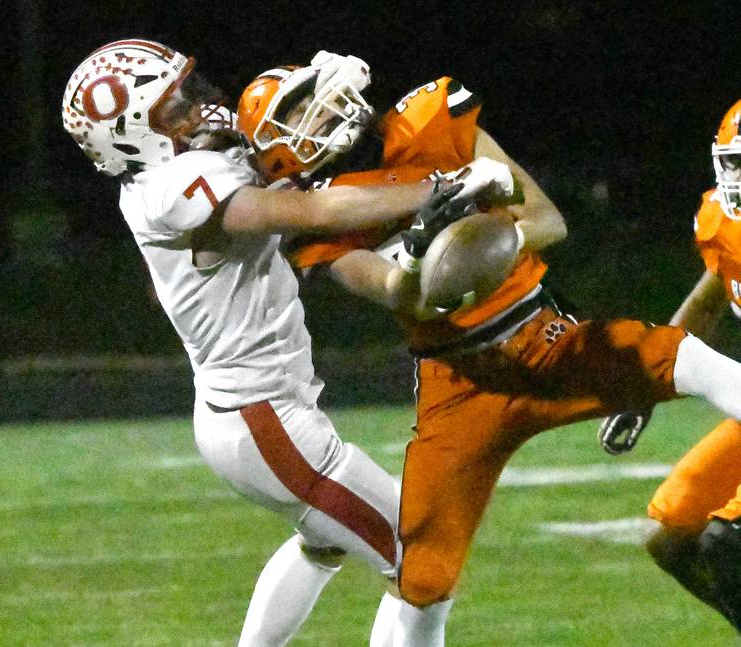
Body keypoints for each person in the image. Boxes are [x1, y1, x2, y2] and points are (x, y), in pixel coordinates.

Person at [237, 63, 741, 620]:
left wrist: (496, 239)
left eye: (314, 98)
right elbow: (401, 296)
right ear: (276, 150)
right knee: (421, 580)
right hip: (457, 382)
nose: (322, 110)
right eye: (297, 112)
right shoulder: (316, 219)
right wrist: (420, 253)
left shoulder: (427, 123)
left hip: (542, 335)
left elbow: (547, 220)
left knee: (679, 357)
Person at [61, 40, 498, 646]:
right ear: (136, 138)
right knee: (424, 558)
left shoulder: (176, 175)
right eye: (174, 108)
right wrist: (439, 188)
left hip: (249, 416)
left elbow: (275, 161)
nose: (197, 107)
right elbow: (311, 211)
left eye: (188, 90)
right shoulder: (173, 184)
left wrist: (308, 100)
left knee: (324, 544)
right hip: (263, 421)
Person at [598, 100, 741, 632]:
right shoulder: (725, 224)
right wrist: (647, 388)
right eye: (737, 162)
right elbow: (707, 302)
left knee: (728, 541)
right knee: (674, 536)